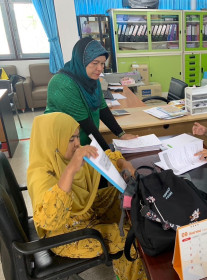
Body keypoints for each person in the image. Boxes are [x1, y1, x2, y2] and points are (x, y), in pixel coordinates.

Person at [27, 112, 146, 280]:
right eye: (71, 139)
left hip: (83, 214)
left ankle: (127, 255)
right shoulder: (41, 174)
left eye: (77, 137)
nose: (77, 144)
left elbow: (103, 159)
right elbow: (49, 220)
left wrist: (123, 163)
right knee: (132, 239)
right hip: (64, 235)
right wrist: (71, 170)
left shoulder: (64, 157)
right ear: (52, 140)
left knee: (124, 194)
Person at [46, 37, 136, 151]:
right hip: (63, 146)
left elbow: (102, 108)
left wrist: (121, 134)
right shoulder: (63, 83)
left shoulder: (92, 79)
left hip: (86, 142)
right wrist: (109, 154)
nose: (100, 68)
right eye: (95, 63)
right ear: (81, 60)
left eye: (103, 64)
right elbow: (86, 124)